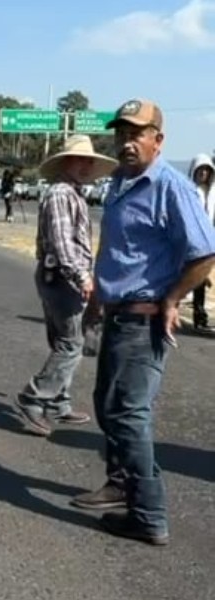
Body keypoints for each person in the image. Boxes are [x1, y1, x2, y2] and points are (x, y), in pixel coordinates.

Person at [71, 99, 215, 546]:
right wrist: (99, 296)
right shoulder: (118, 182)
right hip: (116, 314)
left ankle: (149, 515)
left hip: (144, 318)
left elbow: (205, 253)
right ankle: (121, 484)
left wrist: (173, 298)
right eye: (121, 134)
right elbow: (116, 247)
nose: (126, 142)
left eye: (136, 134)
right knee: (107, 405)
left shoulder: (171, 187)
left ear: (158, 140)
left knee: (129, 415)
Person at [14, 135, 117, 436]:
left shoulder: (72, 192)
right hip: (62, 278)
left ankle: (58, 402)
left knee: (65, 340)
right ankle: (35, 397)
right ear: (66, 161)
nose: (86, 165)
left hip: (59, 276)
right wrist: (81, 276)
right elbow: (61, 243)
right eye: (80, 159)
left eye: (89, 161)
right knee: (71, 344)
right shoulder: (61, 193)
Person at [187, 154, 215, 329]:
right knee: (191, 278)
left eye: (207, 170)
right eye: (200, 170)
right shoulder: (188, 192)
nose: (204, 173)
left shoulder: (213, 194)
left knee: (201, 278)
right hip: (191, 240)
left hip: (208, 241)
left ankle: (200, 315)